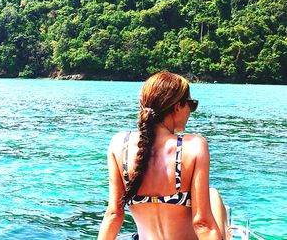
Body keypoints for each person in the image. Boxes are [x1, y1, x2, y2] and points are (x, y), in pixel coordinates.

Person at [98, 71, 229, 240]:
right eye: (191, 104)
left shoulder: (119, 144)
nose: (191, 111)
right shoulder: (194, 146)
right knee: (213, 195)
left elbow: (114, 215)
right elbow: (202, 224)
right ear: (177, 106)